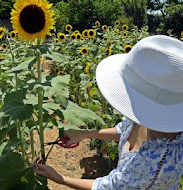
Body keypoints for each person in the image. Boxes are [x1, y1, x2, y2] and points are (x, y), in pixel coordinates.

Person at [33, 35, 183, 190]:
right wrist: (84, 134)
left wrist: (60, 178)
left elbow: (111, 187)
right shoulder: (148, 117)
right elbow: (122, 130)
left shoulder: (158, 163)